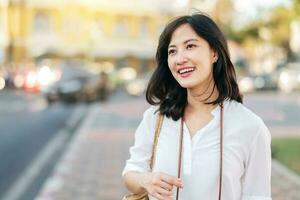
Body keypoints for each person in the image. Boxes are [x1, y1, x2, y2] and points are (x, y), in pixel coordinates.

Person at [122, 12, 272, 200]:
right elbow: (131, 172)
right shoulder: (155, 118)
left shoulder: (250, 126)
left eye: (190, 46)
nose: (179, 58)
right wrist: (145, 180)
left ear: (214, 53)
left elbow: (257, 195)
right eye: (172, 51)